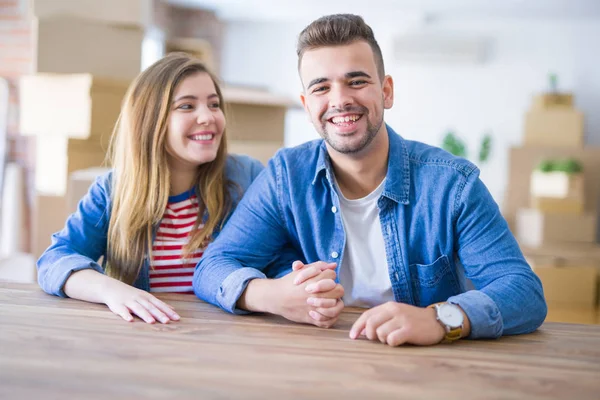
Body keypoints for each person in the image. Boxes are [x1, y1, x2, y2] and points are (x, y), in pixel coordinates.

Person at [194, 14, 547, 346]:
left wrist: (439, 319)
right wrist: (274, 296)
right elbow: (213, 266)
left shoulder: (453, 186)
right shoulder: (286, 177)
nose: (340, 100)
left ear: (386, 91)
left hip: (427, 368)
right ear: (306, 105)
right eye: (321, 87)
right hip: (319, 360)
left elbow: (522, 292)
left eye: (357, 81)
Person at [37, 52, 340, 324]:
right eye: (186, 106)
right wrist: (110, 289)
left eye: (214, 104)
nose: (207, 117)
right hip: (147, 338)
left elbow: (279, 258)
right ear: (150, 121)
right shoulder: (113, 191)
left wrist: (299, 285)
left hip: (233, 340)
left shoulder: (246, 176)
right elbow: (54, 261)